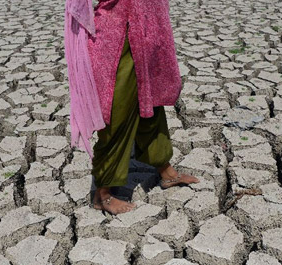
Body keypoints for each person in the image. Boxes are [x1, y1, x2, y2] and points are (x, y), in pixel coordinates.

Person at [65, 0, 198, 215]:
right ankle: (103, 194)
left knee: (150, 106)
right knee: (117, 112)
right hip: (116, 34)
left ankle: (166, 172)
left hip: (147, 28)